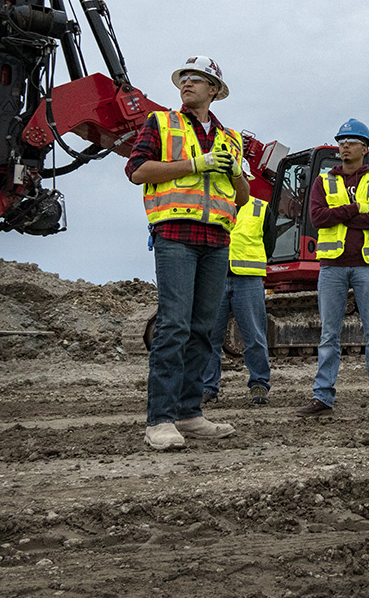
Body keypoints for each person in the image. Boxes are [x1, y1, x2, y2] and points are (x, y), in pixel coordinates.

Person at [126, 56, 250, 451]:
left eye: (198, 79)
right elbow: (137, 170)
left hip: (216, 239)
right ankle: (160, 420)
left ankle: (189, 414)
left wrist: (233, 173)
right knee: (174, 326)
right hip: (176, 233)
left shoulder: (231, 139)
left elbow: (243, 195)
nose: (188, 84)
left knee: (202, 330)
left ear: (214, 90)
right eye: (185, 78)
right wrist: (196, 163)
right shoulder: (162, 124)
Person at [297, 118, 369, 417]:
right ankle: (322, 397)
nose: (344, 146)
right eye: (341, 141)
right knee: (329, 335)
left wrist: (337, 214)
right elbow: (317, 218)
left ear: (365, 149)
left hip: (367, 265)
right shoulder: (322, 181)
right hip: (331, 267)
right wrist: (354, 209)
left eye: (351, 142)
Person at [202, 196, 274, 406]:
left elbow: (268, 243)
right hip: (216, 277)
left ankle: (259, 384)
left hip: (248, 278)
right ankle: (207, 388)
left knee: (254, 336)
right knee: (209, 337)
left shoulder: (261, 208)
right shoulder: (212, 202)